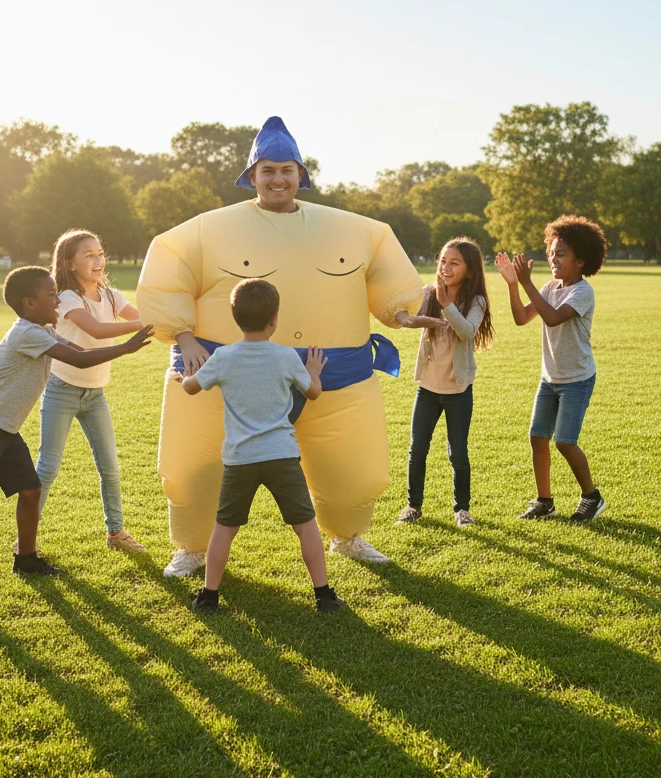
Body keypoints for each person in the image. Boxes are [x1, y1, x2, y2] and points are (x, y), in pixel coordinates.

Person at [136, 116, 424, 576]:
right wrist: (183, 334)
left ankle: (348, 536)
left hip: (334, 377)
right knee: (195, 471)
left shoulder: (355, 230)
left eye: (286, 170)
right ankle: (192, 548)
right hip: (229, 375)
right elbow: (167, 267)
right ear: (252, 177)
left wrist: (401, 310)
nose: (277, 179)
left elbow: (389, 273)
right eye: (267, 170)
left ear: (301, 176)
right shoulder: (206, 230)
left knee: (358, 476)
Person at [0, 266, 153, 597]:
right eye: (50, 295)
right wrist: (126, 347)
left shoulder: (44, 328)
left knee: (31, 490)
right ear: (29, 303)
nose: (57, 301)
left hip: (4, 427)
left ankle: (27, 559)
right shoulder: (27, 333)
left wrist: (122, 346)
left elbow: (79, 352)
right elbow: (78, 361)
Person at [180, 278, 343, 614]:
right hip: (282, 455)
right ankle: (324, 596)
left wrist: (184, 375)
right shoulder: (285, 357)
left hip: (240, 459)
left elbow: (191, 388)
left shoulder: (223, 358)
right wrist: (313, 372)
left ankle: (209, 597)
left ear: (234, 317)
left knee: (225, 528)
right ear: (275, 319)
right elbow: (313, 393)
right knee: (305, 526)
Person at [35, 229, 149, 553]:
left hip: (95, 394)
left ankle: (116, 533)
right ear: (70, 264)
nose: (98, 260)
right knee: (47, 468)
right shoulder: (68, 298)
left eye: (100, 253)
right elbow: (96, 329)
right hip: (62, 390)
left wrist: (164, 318)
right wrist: (141, 326)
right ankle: (25, 539)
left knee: (110, 467)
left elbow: (138, 316)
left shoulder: (110, 295)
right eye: (89, 255)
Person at [494, 214, 608, 522]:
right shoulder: (549, 286)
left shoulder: (582, 292)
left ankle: (591, 497)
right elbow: (522, 318)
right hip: (550, 377)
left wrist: (527, 282)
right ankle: (544, 501)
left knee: (565, 441)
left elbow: (554, 317)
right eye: (551, 251)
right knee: (537, 436)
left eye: (561, 253)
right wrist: (513, 285)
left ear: (581, 261)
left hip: (577, 379)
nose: (552, 258)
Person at [395, 237, 494, 528]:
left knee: (458, 453)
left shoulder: (476, 301)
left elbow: (466, 331)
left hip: (457, 390)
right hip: (427, 388)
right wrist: (409, 317)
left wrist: (446, 305)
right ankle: (413, 507)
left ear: (470, 270)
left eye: (454, 262)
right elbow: (409, 317)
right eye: (443, 261)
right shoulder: (429, 293)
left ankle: (462, 510)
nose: (446, 267)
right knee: (417, 449)